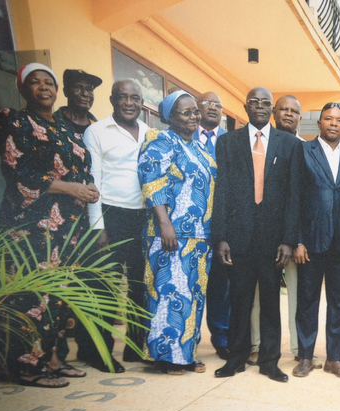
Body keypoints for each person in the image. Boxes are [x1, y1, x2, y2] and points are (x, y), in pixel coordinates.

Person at [0, 63, 97, 387]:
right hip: (31, 225)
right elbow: (16, 172)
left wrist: (88, 187)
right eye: (35, 82)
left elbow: (80, 168)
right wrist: (71, 188)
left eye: (48, 82)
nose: (43, 87)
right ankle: (25, 366)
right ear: (22, 89)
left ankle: (52, 359)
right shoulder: (13, 119)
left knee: (58, 295)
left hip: (67, 227)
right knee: (30, 295)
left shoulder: (66, 128)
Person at [212, 86, 302, 383]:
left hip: (273, 241)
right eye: (255, 102)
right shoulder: (228, 142)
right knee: (239, 300)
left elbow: (293, 197)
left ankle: (269, 361)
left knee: (271, 303)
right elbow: (221, 191)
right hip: (238, 238)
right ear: (246, 106)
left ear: (272, 109)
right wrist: (221, 237)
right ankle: (236, 358)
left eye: (266, 103)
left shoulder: (289, 143)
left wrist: (289, 240)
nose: (260, 107)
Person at [137, 90, 215, 375]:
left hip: (197, 236)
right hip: (168, 234)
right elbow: (151, 180)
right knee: (169, 295)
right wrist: (164, 223)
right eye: (186, 112)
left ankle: (186, 354)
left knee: (193, 296)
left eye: (196, 111)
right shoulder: (160, 140)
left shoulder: (199, 148)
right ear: (170, 116)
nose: (194, 116)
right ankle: (165, 357)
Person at [292, 103, 340, 381]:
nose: (334, 124)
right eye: (328, 119)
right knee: (307, 301)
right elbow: (294, 198)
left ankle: (334, 358)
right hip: (310, 243)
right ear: (319, 123)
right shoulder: (302, 152)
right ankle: (306, 357)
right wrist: (297, 240)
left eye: (339, 120)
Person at [80, 79, 149, 372]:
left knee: (139, 287)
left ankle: (134, 348)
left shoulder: (150, 132)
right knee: (105, 289)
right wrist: (97, 225)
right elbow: (92, 179)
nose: (130, 102)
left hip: (142, 218)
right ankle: (101, 353)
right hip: (110, 215)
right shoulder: (96, 131)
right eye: (124, 97)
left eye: (135, 97)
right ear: (112, 100)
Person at [247, 95, 309, 367]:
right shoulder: (257, 144)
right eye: (283, 109)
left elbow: (305, 197)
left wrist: (297, 238)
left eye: (294, 111)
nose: (288, 114)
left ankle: (298, 347)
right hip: (261, 233)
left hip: (294, 236)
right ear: (274, 113)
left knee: (297, 292)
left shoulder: (307, 149)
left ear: (300, 117)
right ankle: (256, 345)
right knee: (260, 292)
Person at [192, 91, 230, 361]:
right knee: (190, 285)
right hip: (190, 227)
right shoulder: (184, 137)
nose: (214, 108)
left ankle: (222, 337)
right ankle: (188, 338)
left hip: (220, 226)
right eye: (208, 104)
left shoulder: (230, 141)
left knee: (220, 285)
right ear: (196, 108)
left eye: (218, 105)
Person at [53, 69, 102, 134]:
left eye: (89, 89)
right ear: (66, 91)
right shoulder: (53, 123)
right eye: (78, 87)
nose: (85, 93)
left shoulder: (98, 128)